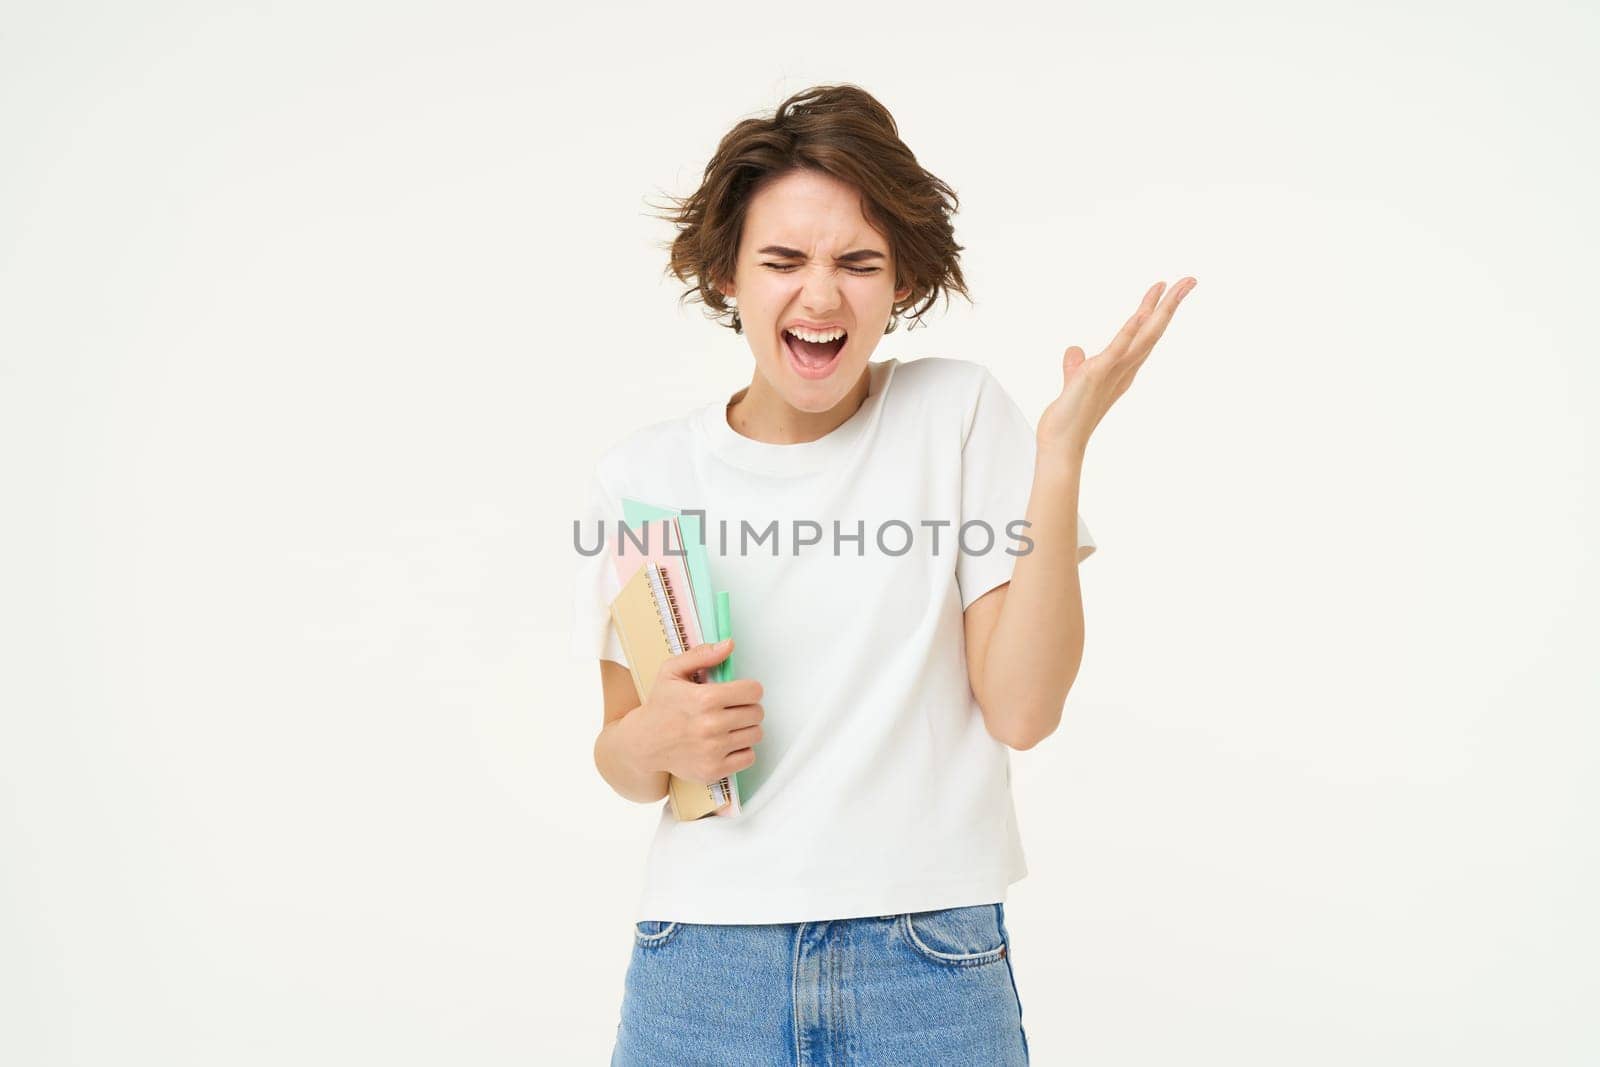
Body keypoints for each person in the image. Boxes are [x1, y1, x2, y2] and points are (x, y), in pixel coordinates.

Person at [572, 83, 1195, 1066]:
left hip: (927, 956)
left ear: (900, 282)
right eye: (782, 260)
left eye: (856, 263)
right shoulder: (645, 475)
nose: (819, 296)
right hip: (700, 964)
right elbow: (620, 757)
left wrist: (1060, 457)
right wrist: (658, 733)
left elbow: (1023, 711)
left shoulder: (955, 415)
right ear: (725, 274)